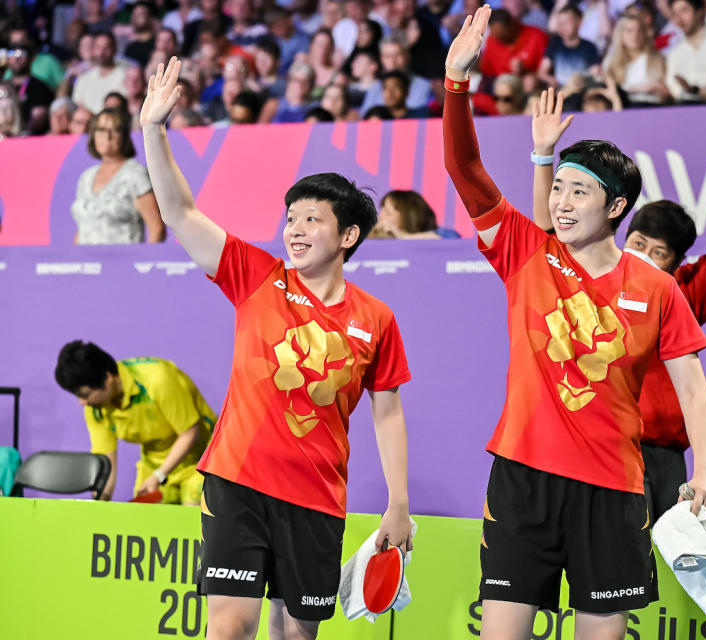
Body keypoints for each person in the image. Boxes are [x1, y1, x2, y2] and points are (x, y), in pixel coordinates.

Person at [444, 8, 706, 638]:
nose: (562, 203)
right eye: (557, 187)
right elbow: (466, 170)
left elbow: (693, 385)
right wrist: (457, 83)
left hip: (614, 488)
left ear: (617, 206)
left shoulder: (656, 287)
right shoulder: (525, 253)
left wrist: (704, 470)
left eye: (579, 192)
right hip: (523, 477)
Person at [141, 56, 413, 639]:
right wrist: (153, 131)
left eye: (311, 219)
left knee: (296, 633)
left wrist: (398, 502)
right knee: (232, 626)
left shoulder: (376, 319)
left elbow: (387, 414)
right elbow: (180, 212)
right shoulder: (257, 276)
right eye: (290, 217)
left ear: (347, 236)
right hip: (237, 480)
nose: (293, 228)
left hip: (316, 497)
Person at [529, 87, 706, 523]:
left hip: (660, 458)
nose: (645, 256)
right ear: (618, 225)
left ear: (676, 262)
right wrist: (543, 156)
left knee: (651, 570)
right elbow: (545, 233)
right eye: (638, 243)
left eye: (659, 252)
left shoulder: (677, 293)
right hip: (590, 445)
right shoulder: (573, 274)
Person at [54, 341, 216, 505]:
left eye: (85, 394)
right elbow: (106, 463)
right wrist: (99, 506)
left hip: (200, 460)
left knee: (194, 522)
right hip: (154, 465)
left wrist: (159, 475)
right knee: (144, 525)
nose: (82, 402)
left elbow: (190, 433)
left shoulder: (158, 379)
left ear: (108, 378)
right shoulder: (95, 408)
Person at [71, 107, 165, 244]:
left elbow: (157, 229)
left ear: (124, 136)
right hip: (89, 262)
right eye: (101, 130)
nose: (107, 136)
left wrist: (144, 263)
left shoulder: (135, 174)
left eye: (114, 130)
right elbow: (83, 227)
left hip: (122, 262)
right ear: (93, 135)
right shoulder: (86, 177)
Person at [602, 13, 669, 105]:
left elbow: (667, 89)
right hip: (624, 108)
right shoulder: (611, 62)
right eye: (630, 31)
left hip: (653, 106)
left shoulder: (658, 59)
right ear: (621, 34)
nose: (635, 35)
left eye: (639, 30)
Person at [538, 4, 602, 89]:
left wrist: (580, 82)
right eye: (559, 23)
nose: (562, 26)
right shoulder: (555, 44)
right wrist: (550, 79)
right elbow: (542, 71)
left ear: (579, 22)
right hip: (560, 90)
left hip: (580, 91)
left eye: (566, 22)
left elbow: (596, 74)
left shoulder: (588, 47)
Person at [72, 31, 129, 114]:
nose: (101, 52)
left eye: (106, 48)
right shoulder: (84, 78)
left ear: (114, 50)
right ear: (93, 50)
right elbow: (77, 104)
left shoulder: (125, 76)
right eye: (98, 47)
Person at [373, 189, 460, 238]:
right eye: (381, 211)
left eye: (388, 213)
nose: (381, 217)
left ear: (410, 215)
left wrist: (402, 236)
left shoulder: (443, 234)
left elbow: (452, 238)